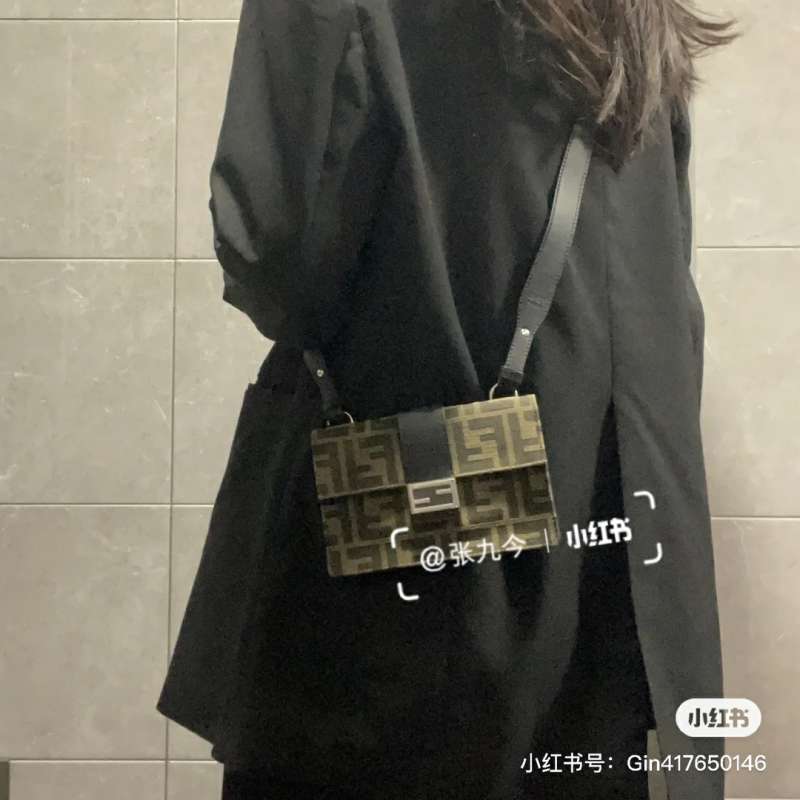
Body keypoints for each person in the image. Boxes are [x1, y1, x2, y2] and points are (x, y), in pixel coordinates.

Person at [156, 1, 739, 798]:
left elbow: (272, 253)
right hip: (608, 576)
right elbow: (667, 299)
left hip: (406, 602)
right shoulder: (636, 16)